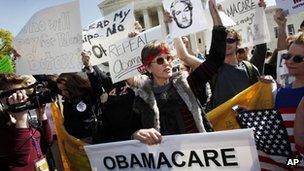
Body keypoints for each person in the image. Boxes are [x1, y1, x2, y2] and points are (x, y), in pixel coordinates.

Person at [131, 0, 225, 145]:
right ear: (148, 68)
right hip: (167, 161)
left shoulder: (187, 84)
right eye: (160, 61)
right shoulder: (142, 99)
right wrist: (136, 134)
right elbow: (129, 129)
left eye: (168, 58)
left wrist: (216, 20)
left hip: (200, 154)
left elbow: (215, 60)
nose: (167, 63)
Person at [0, 74, 52, 171]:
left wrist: (42, 115)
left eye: (22, 92)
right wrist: (21, 118)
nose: (22, 97)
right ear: (3, 98)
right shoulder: (4, 121)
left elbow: (47, 142)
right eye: (16, 94)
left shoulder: (25, 114)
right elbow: (21, 160)